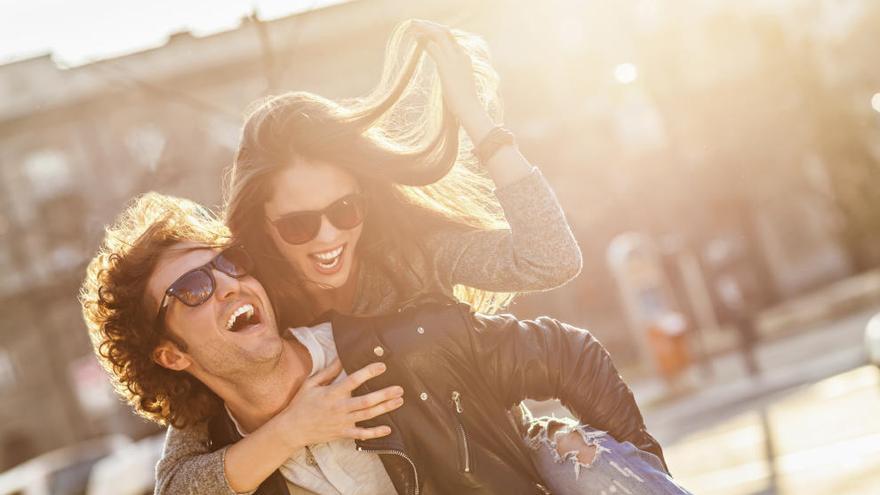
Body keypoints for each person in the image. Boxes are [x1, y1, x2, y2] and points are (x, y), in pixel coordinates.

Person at [162, 18, 594, 493]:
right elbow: (178, 483)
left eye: (344, 211)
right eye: (298, 224)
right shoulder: (250, 305)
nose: (327, 237)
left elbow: (551, 257)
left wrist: (476, 118)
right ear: (261, 225)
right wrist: (291, 431)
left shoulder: (407, 256)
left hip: (498, 469)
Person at [80, 193, 691, 494]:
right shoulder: (224, 459)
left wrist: (638, 475)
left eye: (231, 263)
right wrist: (294, 429)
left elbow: (566, 353)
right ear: (170, 355)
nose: (225, 285)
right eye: (191, 288)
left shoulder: (395, 343)